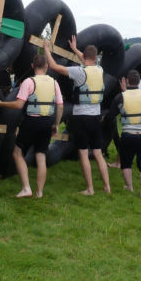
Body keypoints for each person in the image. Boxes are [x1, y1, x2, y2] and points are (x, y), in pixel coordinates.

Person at [44, 36, 111, 195]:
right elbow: (86, 58)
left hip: (81, 117)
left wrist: (46, 48)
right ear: (96, 58)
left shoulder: (78, 71)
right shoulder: (100, 70)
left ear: (84, 57)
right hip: (95, 117)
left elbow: (53, 66)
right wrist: (75, 49)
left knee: (83, 153)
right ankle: (107, 187)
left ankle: (90, 189)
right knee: (97, 153)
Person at [0, 53, 63, 198]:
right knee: (41, 156)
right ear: (47, 66)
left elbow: (18, 105)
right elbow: (60, 106)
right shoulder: (54, 83)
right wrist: (56, 124)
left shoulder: (29, 82)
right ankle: (39, 192)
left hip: (31, 121)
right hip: (47, 121)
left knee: (17, 153)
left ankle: (26, 188)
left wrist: (1, 103)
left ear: (32, 66)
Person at [104, 70, 141, 197]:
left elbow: (110, 115)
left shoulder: (120, 97)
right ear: (139, 82)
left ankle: (129, 186)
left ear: (127, 81)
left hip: (128, 135)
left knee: (126, 162)